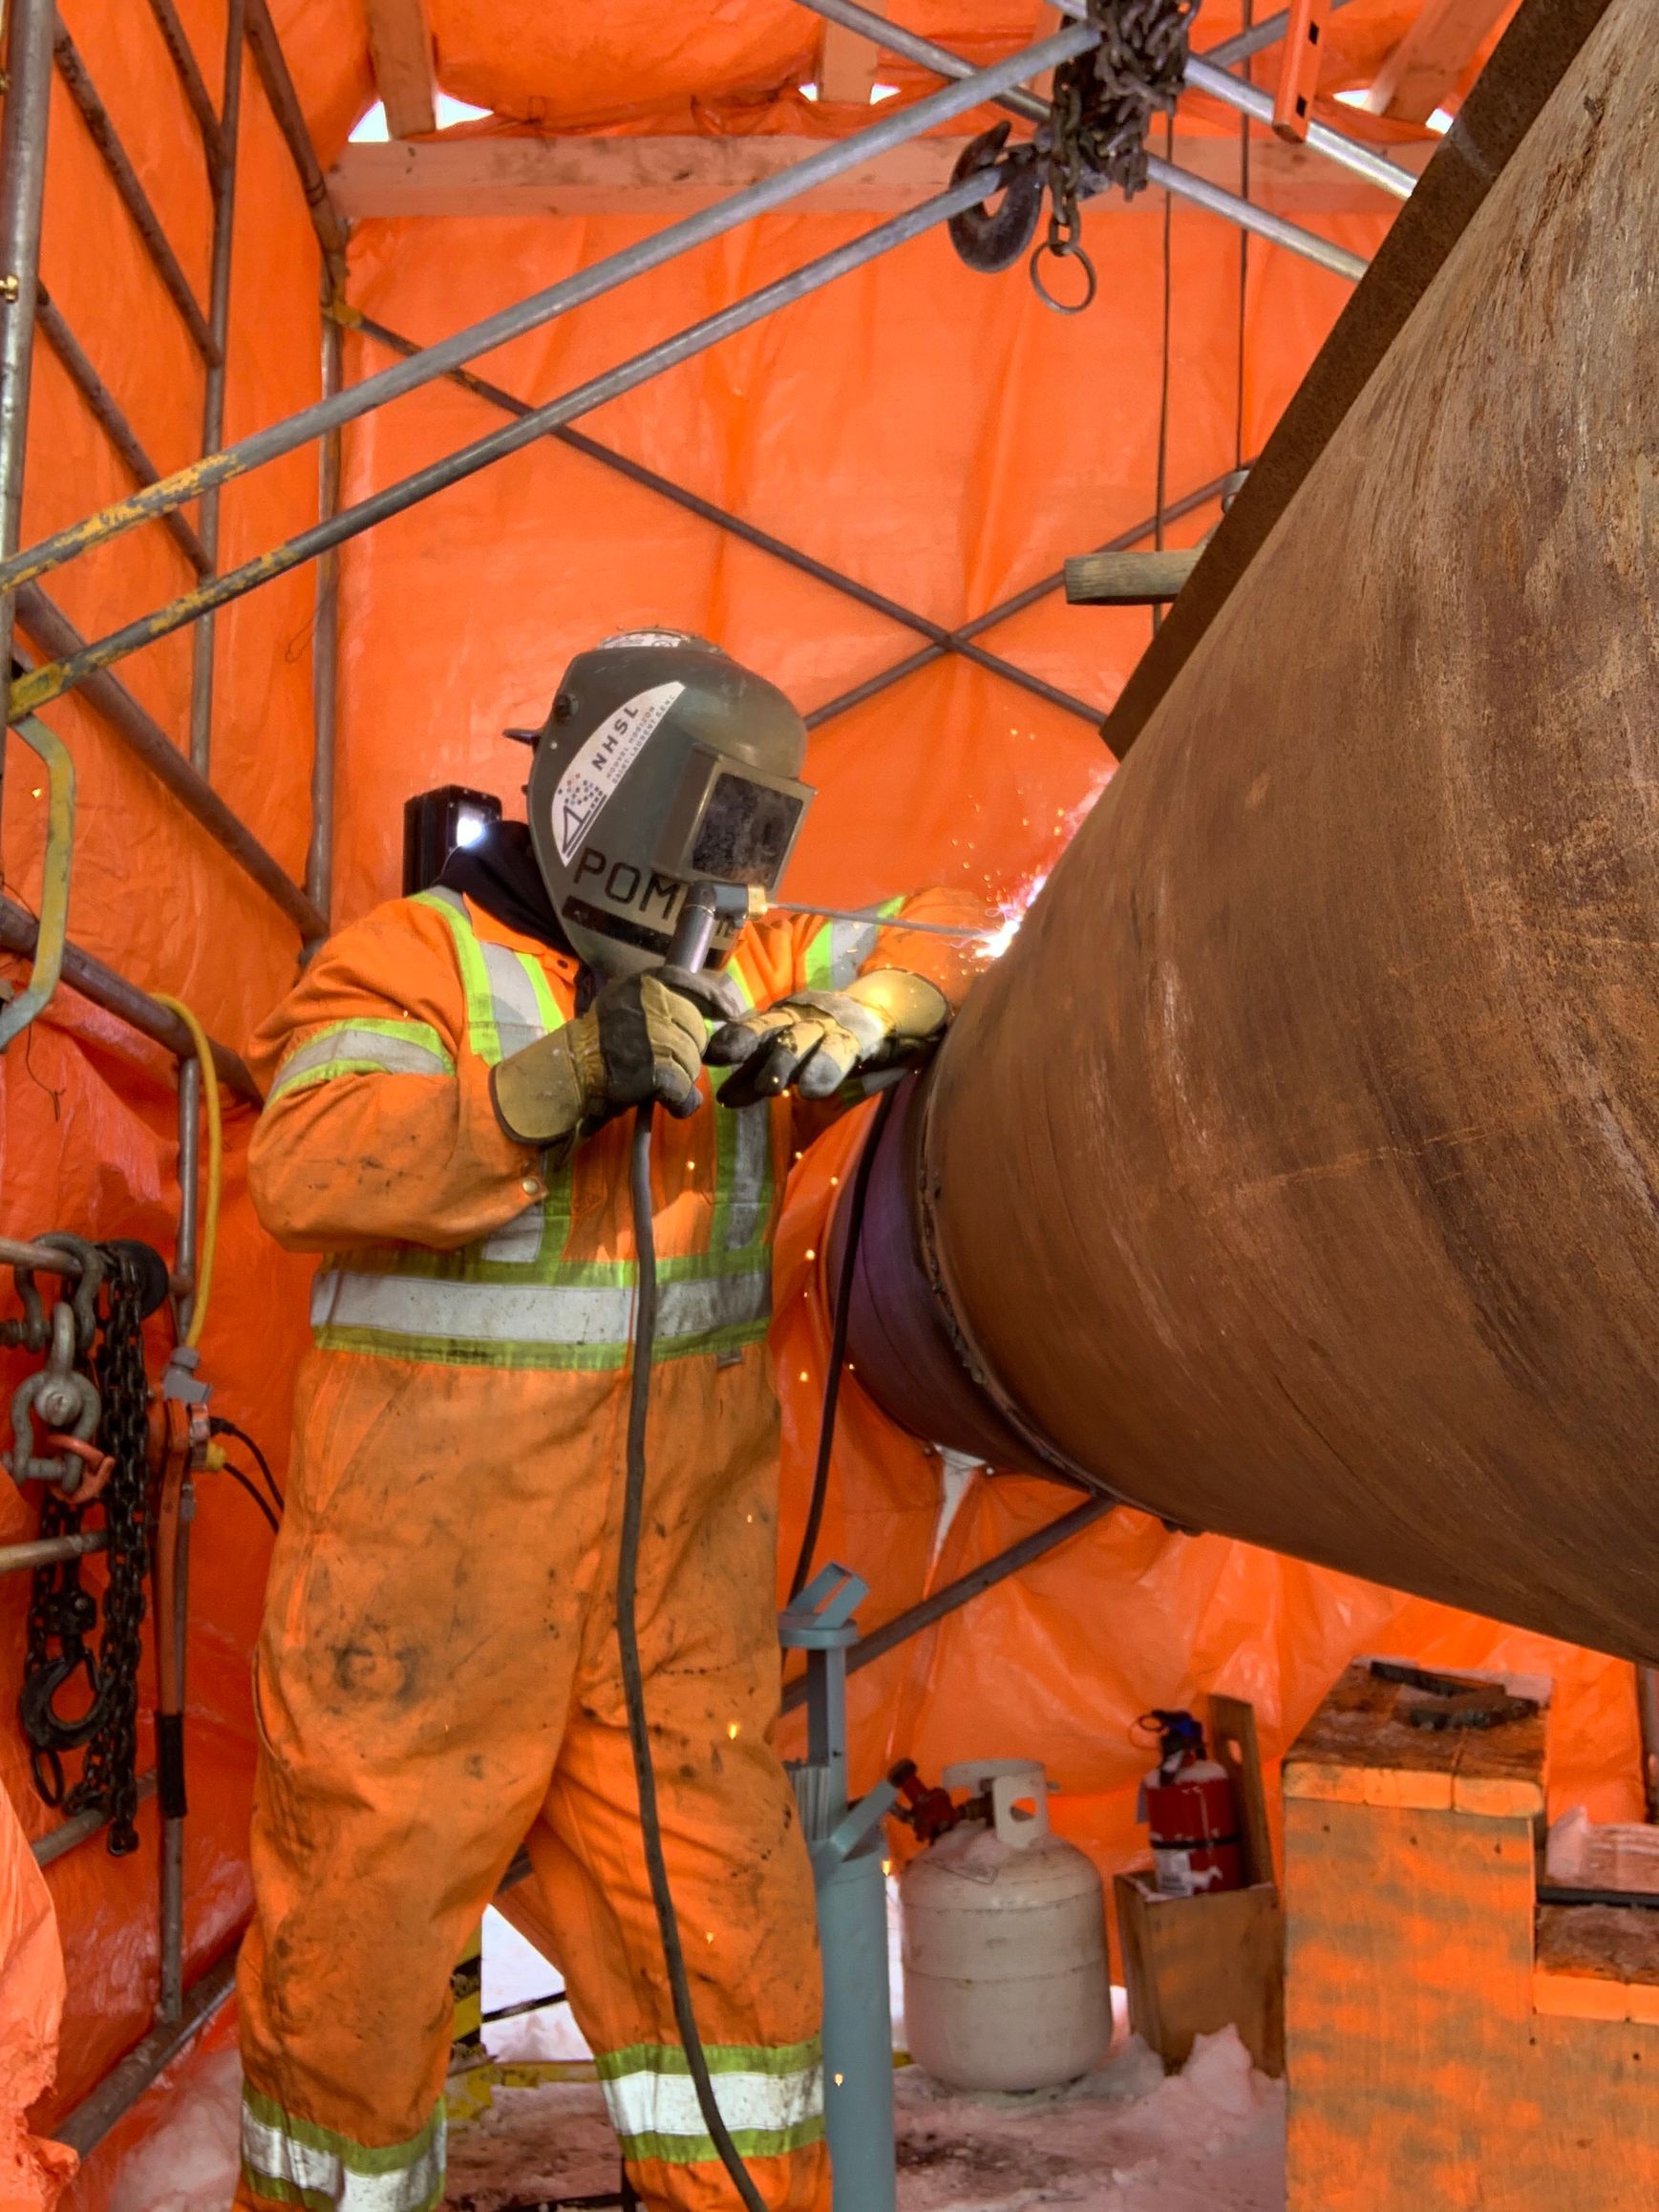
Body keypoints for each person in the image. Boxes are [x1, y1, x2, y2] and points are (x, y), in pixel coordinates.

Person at [233, 631, 988, 2212]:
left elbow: (945, 941)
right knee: (352, 2005)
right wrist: (546, 1082)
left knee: (735, 1989)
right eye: (699, 843)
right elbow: (307, 1166)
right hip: (423, 1620)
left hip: (667, 1627)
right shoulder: (413, 964)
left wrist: (881, 1013)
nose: (717, 894)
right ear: (592, 795)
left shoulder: (756, 958)